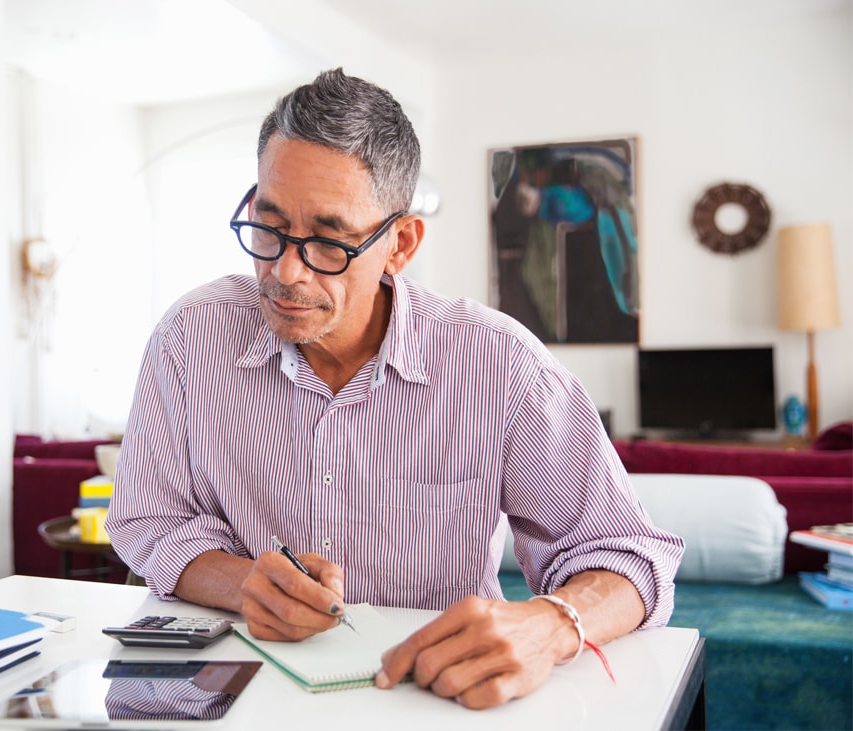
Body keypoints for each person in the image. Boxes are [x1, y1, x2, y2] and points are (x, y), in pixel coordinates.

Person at [105, 68, 684, 710]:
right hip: (244, 694)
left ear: (400, 244)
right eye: (267, 226)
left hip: (428, 701)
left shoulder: (498, 362)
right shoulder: (188, 339)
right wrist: (243, 583)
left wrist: (548, 625)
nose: (284, 270)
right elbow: (145, 520)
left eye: (328, 241)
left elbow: (631, 559)